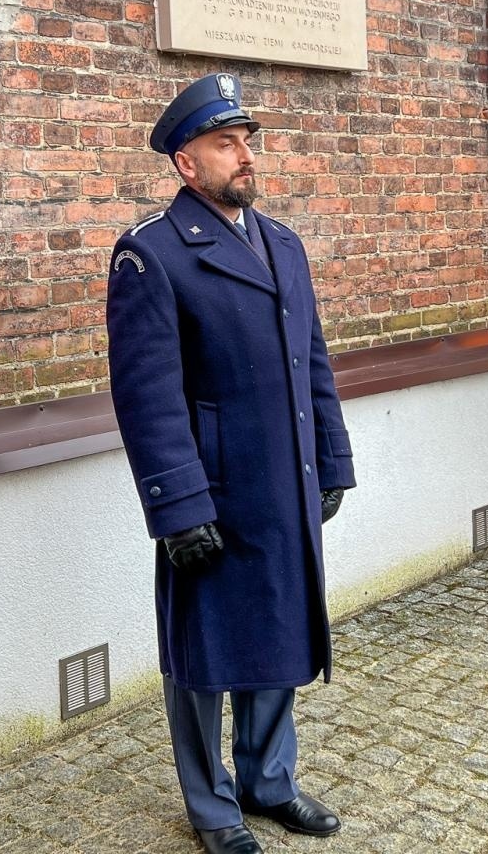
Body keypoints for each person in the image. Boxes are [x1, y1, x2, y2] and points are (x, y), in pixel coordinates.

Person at [106, 72, 355, 854]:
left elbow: (311, 360)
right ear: (187, 163)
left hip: (284, 482)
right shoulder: (151, 255)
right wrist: (178, 508)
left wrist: (333, 458)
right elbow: (148, 398)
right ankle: (213, 809)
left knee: (278, 631)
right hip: (211, 492)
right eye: (226, 143)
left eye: (247, 141)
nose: (245, 156)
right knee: (203, 655)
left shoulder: (282, 242)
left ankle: (269, 781)